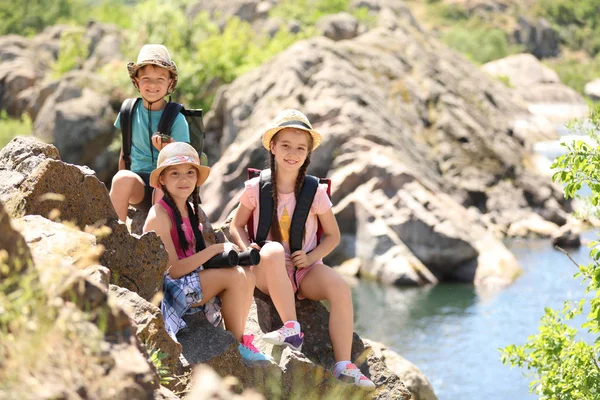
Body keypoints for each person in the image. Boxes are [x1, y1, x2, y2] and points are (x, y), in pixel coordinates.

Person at [229, 109, 375, 388]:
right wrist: (251, 250)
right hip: (267, 272)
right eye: (285, 146)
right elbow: (237, 226)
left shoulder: (315, 192)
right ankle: (291, 328)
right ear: (272, 147)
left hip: (304, 272)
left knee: (340, 288)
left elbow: (332, 236)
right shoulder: (254, 188)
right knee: (271, 251)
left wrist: (310, 257)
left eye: (300, 148)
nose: (292, 153)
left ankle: (344, 364)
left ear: (307, 153)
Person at [143, 142, 269, 361]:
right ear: (162, 179)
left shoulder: (190, 209)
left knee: (247, 273)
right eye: (175, 173)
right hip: (170, 291)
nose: (184, 179)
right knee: (235, 277)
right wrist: (214, 250)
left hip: (189, 279)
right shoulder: (159, 215)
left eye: (190, 173)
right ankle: (237, 344)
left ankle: (239, 339)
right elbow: (172, 271)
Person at [110, 44, 190, 222]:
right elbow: (125, 154)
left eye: (160, 79)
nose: (153, 85)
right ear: (137, 81)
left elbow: (187, 164)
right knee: (121, 178)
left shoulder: (177, 118)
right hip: (139, 185)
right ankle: (116, 237)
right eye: (146, 78)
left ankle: (158, 238)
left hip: (168, 186)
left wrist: (169, 151)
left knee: (161, 187)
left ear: (170, 83)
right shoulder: (128, 112)